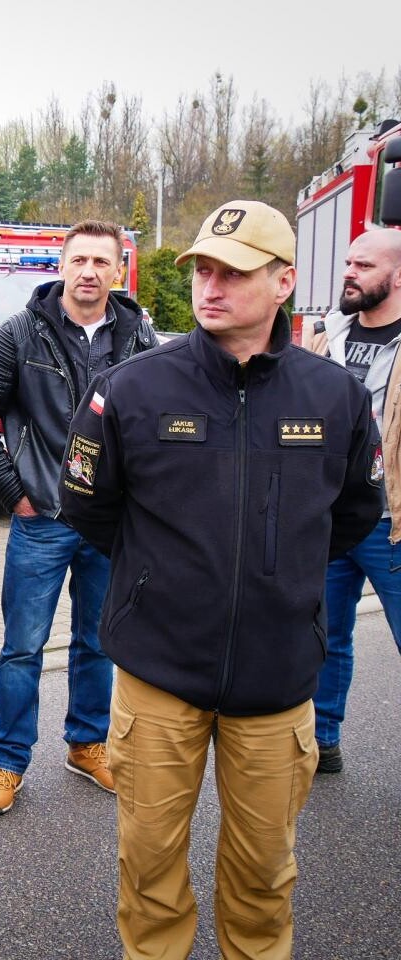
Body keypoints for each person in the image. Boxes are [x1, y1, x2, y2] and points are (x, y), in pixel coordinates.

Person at [58, 200, 383, 960]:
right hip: (159, 676)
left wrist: (277, 581)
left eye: (233, 272)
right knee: (148, 871)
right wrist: (158, 582)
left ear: (283, 283)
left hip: (276, 684)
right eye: (203, 268)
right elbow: (88, 505)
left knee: (265, 876)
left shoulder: (334, 397)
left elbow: (355, 513)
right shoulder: (133, 389)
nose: (210, 286)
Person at [0, 219, 156, 814]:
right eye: (80, 261)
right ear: (63, 265)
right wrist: (13, 492)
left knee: (97, 643)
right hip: (40, 517)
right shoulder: (20, 333)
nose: (90, 272)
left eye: (102, 262)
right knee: (22, 646)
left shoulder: (138, 334)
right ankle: (8, 760)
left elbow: (158, 419)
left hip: (109, 524)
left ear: (117, 270)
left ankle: (87, 744)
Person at [303, 228, 401, 774]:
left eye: (363, 265)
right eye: (347, 262)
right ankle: (322, 740)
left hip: (393, 525)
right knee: (325, 638)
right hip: (331, 521)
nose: (349, 272)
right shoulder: (326, 337)